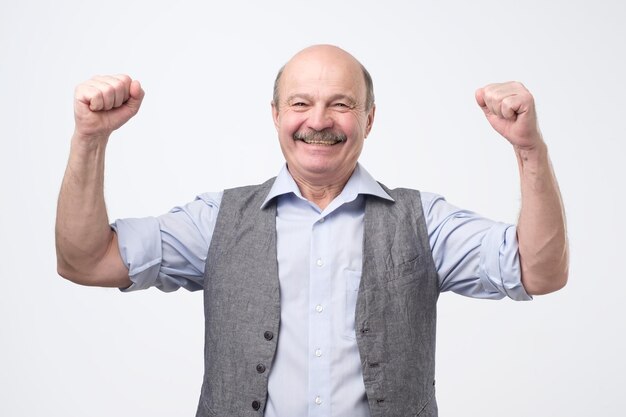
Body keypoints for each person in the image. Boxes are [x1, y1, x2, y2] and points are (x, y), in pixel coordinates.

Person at [55, 45, 569, 417]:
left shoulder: (424, 222)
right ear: (276, 115)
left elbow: (538, 271)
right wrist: (89, 139)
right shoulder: (217, 221)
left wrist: (529, 150)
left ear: (369, 119)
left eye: (341, 104)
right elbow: (86, 260)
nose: (318, 120)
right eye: (300, 103)